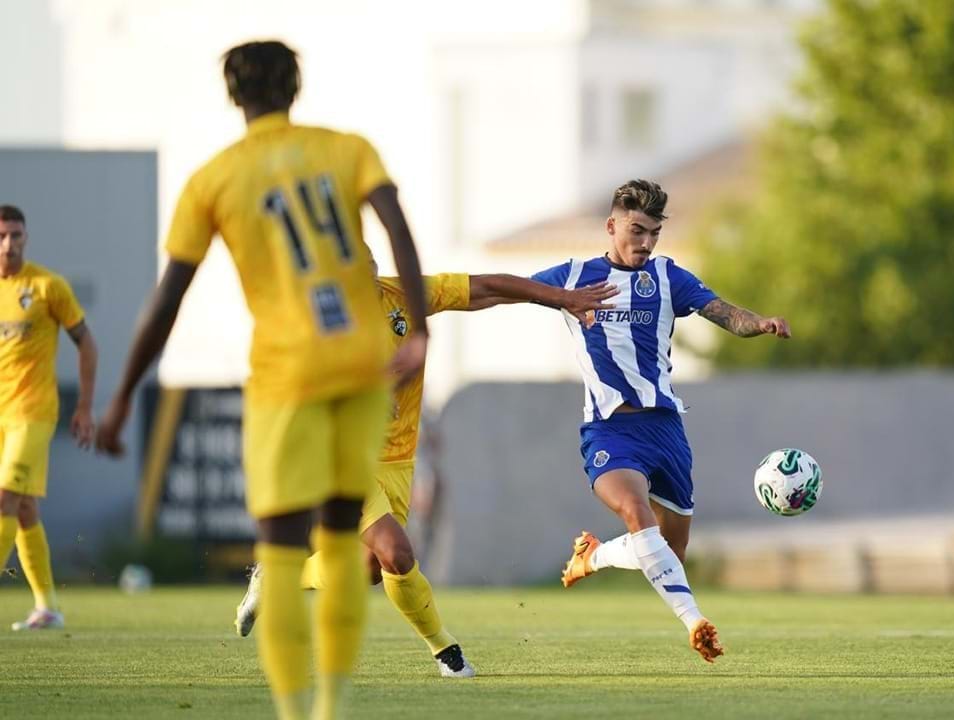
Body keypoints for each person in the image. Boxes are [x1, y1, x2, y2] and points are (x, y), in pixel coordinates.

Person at [95, 40, 430, 720]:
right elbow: (398, 228)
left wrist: (125, 393)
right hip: (360, 369)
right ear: (297, 85)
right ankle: (332, 705)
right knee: (341, 547)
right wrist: (417, 328)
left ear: (231, 94)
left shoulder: (214, 178)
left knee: (280, 556)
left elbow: (168, 299)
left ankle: (291, 708)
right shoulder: (347, 148)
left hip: (286, 376)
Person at [233, 271, 618, 679]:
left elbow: (487, 289)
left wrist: (560, 297)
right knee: (397, 552)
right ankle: (447, 652)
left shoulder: (405, 295)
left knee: (367, 569)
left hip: (398, 460)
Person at [535, 179, 791, 662]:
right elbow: (509, 290)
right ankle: (696, 621)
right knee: (637, 515)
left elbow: (722, 312)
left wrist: (758, 323)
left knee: (668, 554)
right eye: (637, 230)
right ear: (612, 226)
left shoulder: (667, 277)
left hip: (667, 430)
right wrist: (446, 296)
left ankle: (596, 556)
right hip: (610, 430)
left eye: (654, 233)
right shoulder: (573, 276)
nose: (646, 242)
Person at [0, 204, 98, 631]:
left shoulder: (47, 286)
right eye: (2, 236)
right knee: (23, 509)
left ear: (26, 238)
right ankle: (48, 607)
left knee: (4, 497)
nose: (9, 244)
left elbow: (87, 343)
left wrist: (84, 407)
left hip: (34, 412)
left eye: (16, 235)